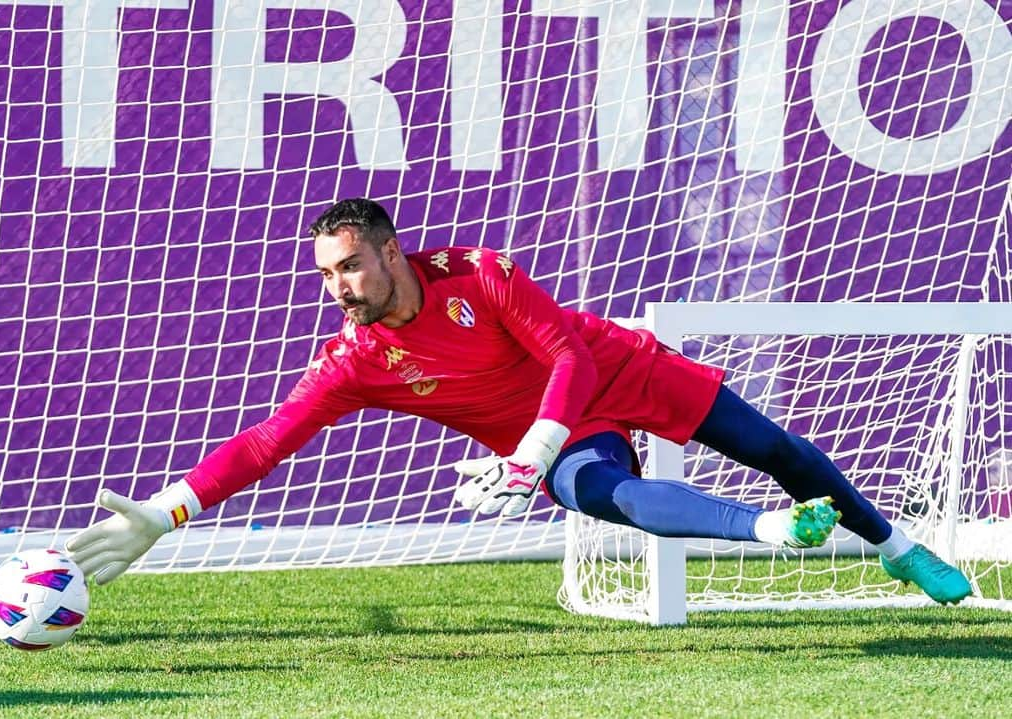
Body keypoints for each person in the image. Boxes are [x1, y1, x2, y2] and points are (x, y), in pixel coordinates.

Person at [66, 198, 972, 605]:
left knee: (780, 451)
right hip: (561, 438)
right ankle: (773, 534)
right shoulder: (354, 360)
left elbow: (567, 354)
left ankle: (897, 547)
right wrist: (165, 510)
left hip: (613, 371)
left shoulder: (480, 275)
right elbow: (268, 441)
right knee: (604, 495)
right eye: (327, 274)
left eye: (350, 265)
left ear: (389, 251)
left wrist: (532, 446)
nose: (339, 286)